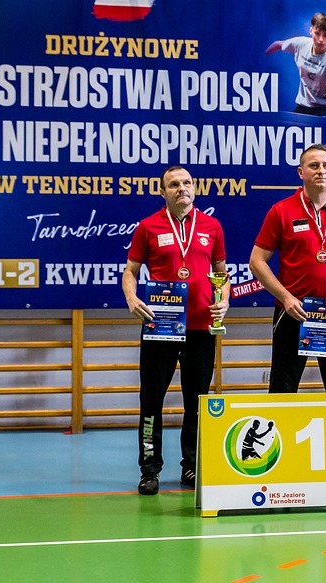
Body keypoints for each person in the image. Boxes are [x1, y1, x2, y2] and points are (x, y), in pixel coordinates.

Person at [249, 143, 326, 491]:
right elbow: (257, 261)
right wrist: (285, 297)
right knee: (283, 389)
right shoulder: (281, 211)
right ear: (301, 172)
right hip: (293, 314)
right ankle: (274, 463)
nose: (321, 170)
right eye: (314, 165)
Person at [122, 166, 229, 495]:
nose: (181, 188)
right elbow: (130, 271)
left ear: (194, 188)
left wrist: (224, 300)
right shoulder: (148, 227)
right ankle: (149, 468)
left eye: (186, 183)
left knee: (196, 401)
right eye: (173, 184)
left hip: (200, 328)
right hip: (161, 327)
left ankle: (191, 465)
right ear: (163, 192)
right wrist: (131, 298)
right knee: (151, 399)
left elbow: (221, 273)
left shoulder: (211, 226)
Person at [266, 12, 326, 118]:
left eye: (325, 35)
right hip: (305, 106)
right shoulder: (300, 44)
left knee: (324, 123)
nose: (321, 39)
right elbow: (277, 44)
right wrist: (263, 55)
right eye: (317, 33)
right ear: (311, 31)